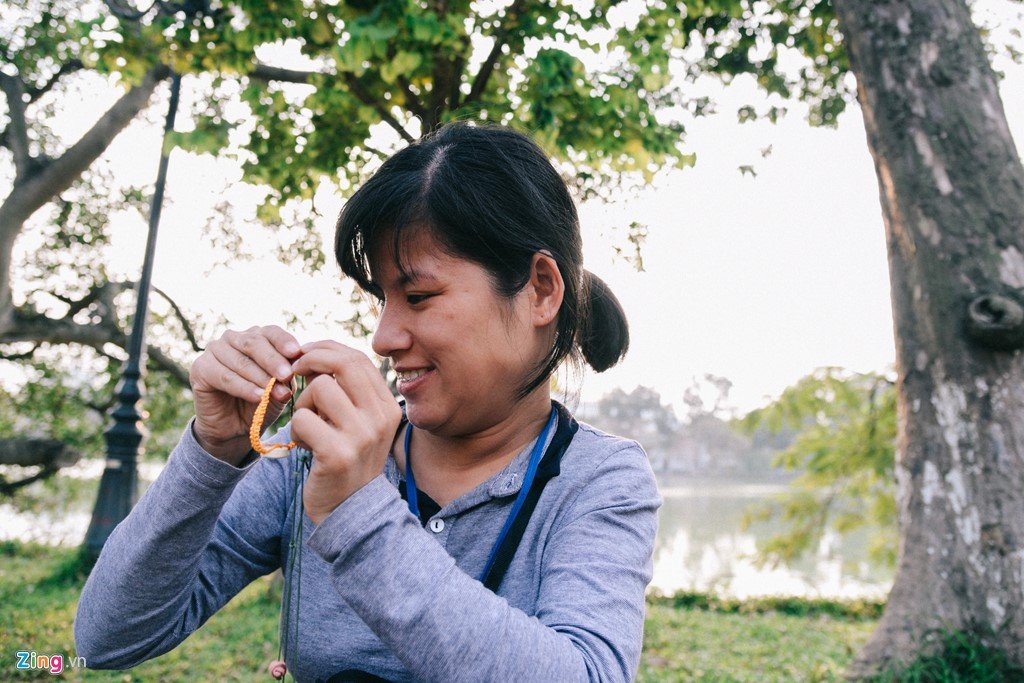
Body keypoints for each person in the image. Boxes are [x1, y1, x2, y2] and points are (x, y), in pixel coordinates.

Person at [74, 123, 662, 682]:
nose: (383, 337)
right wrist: (213, 454)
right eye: (383, 298)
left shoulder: (599, 479)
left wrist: (358, 511)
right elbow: (109, 638)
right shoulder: (311, 457)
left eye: (419, 294)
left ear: (540, 289)